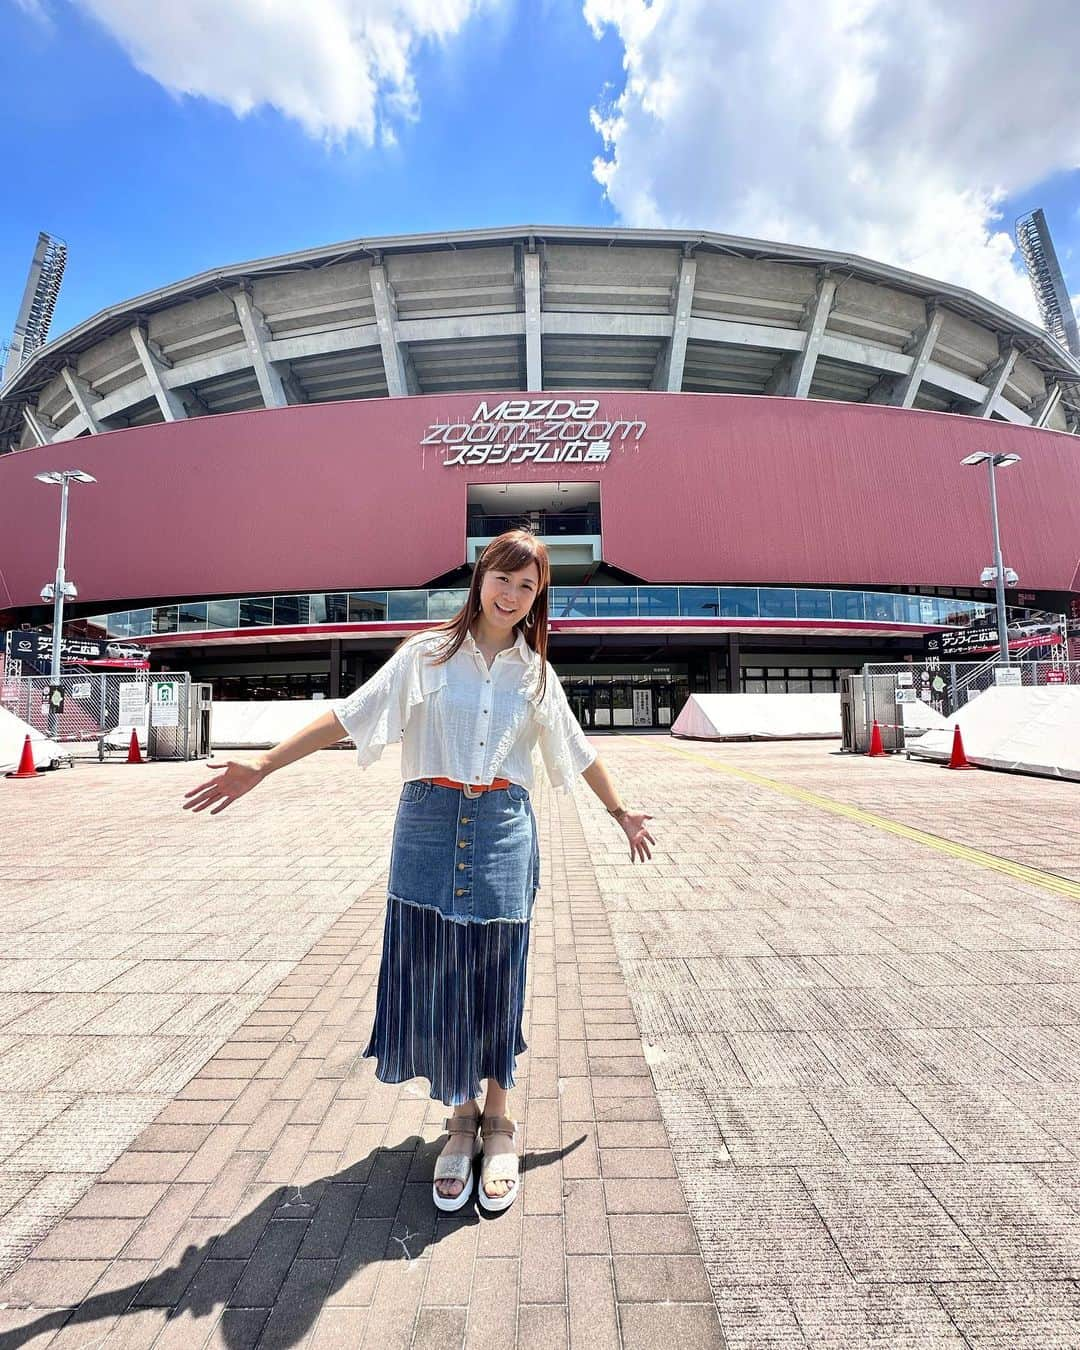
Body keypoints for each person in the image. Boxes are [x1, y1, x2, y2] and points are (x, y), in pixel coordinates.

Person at [182, 530, 655, 1214]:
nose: (513, 596)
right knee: (440, 973)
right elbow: (348, 717)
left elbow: (578, 754)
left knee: (497, 970)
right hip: (427, 825)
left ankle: (499, 1121)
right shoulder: (426, 654)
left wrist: (621, 813)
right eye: (505, 579)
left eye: (529, 588)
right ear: (480, 575)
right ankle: (459, 1121)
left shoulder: (536, 674)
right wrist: (262, 764)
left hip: (502, 827)